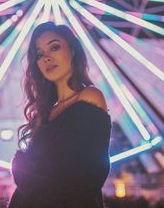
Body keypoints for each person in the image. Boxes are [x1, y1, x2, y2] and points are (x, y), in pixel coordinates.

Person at [8, 21, 111, 208]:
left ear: (72, 50)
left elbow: (89, 175)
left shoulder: (89, 97)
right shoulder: (46, 113)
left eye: (54, 47)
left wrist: (23, 167)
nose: (46, 58)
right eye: (40, 54)